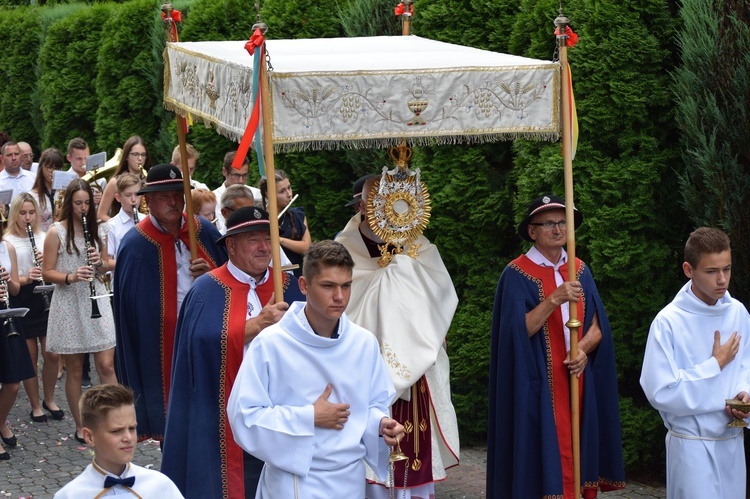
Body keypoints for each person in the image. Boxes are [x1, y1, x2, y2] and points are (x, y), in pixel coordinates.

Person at [227, 240, 406, 497]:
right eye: (328, 286)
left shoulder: (363, 343)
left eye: (346, 285)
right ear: (304, 286)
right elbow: (243, 417)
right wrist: (308, 416)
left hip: (349, 480)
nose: (339, 297)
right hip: (295, 482)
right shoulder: (271, 343)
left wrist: (381, 424)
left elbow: (370, 407)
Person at [487, 194, 625, 498]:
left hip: (576, 378)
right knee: (541, 458)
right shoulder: (516, 274)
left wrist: (583, 349)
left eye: (563, 222)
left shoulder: (580, 268)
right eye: (548, 223)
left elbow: (599, 324)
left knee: (578, 453)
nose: (558, 228)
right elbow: (515, 334)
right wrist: (553, 299)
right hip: (536, 386)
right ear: (532, 231)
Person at [162, 206, 304, 498]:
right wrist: (258, 324)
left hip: (281, 411)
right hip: (221, 414)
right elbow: (199, 347)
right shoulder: (207, 289)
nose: (264, 247)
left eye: (268, 238)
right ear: (231, 245)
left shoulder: (289, 285)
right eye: (253, 239)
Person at [335, 175, 460, 498]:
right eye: (375, 204)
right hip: (368, 363)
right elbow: (340, 302)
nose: (383, 213)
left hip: (417, 362)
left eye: (389, 204)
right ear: (362, 206)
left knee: (417, 444)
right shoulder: (344, 249)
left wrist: (403, 272)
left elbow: (439, 294)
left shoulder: (416, 244)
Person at [114, 163, 226, 442]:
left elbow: (231, 278)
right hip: (163, 346)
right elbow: (129, 312)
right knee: (171, 417)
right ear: (148, 200)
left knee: (214, 408)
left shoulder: (204, 231)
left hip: (208, 337)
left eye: (178, 193)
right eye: (164, 195)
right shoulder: (135, 244)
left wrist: (212, 274)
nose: (173, 201)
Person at [640, 227, 750, 498]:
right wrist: (714, 365)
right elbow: (660, 392)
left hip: (732, 443)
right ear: (689, 270)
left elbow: (746, 366)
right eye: (711, 271)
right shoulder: (668, 322)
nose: (722, 279)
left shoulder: (738, 312)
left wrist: (745, 394)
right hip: (692, 448)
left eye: (727, 269)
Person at [42, 180, 117, 445]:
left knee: (106, 365)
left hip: (96, 297)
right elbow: (47, 271)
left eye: (88, 203)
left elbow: (107, 264)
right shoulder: (56, 232)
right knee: (74, 370)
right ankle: (81, 426)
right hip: (69, 302)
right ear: (68, 203)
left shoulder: (101, 229)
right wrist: (72, 276)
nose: (84, 208)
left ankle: (116, 421)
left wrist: (100, 263)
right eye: (78, 203)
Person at [53, 383, 184, 498]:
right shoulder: (71, 495)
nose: (128, 438)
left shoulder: (159, 485)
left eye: (132, 428)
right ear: (89, 437)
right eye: (116, 431)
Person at [5, 194, 64, 423]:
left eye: (31, 213)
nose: (27, 217)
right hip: (23, 297)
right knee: (30, 356)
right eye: (22, 213)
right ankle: (36, 404)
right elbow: (11, 282)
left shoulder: (43, 236)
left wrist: (45, 263)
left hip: (45, 295)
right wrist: (27, 277)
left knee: (52, 353)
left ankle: (49, 399)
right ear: (14, 214)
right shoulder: (8, 240)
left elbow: (54, 267)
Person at [0, 226, 35, 460]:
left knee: (13, 383)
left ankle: (0, 421)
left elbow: (14, 288)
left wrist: (6, 280)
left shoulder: (6, 247)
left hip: (5, 315)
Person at [260, 170, 311, 276]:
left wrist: (280, 240)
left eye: (289, 188)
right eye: (282, 191)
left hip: (296, 274)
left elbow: (306, 247)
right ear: (268, 193)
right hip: (268, 275)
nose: (289, 194)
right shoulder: (260, 217)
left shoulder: (297, 214)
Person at [97, 135, 150, 221]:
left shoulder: (148, 180)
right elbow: (101, 214)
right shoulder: (115, 182)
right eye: (135, 154)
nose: (140, 159)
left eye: (143, 155)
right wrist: (119, 227)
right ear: (126, 157)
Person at [212, 151, 261, 233]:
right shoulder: (214, 197)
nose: (241, 181)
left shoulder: (256, 194)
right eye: (236, 175)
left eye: (245, 175)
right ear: (224, 171)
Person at [106, 173, 142, 262]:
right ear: (118, 198)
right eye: (128, 195)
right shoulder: (111, 226)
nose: (134, 199)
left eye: (137, 194)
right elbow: (107, 261)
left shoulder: (148, 220)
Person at [30, 148, 63, 232]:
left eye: (57, 168)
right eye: (49, 167)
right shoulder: (32, 196)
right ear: (41, 167)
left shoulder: (64, 192)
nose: (53, 171)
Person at [65, 138, 106, 207]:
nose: (83, 163)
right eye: (79, 159)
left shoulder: (100, 180)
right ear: (69, 158)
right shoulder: (63, 180)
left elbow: (109, 211)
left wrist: (102, 202)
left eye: (86, 158)